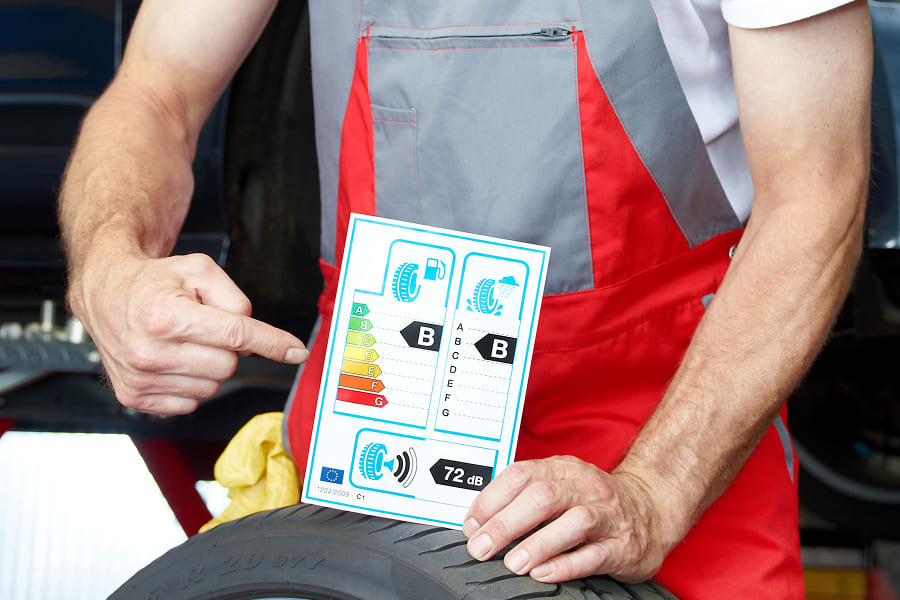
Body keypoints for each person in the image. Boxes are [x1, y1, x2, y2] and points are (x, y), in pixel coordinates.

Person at [57, 1, 872, 598]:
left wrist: (655, 494)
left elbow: (817, 195)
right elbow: (156, 92)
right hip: (379, 435)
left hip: (663, 439)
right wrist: (109, 270)